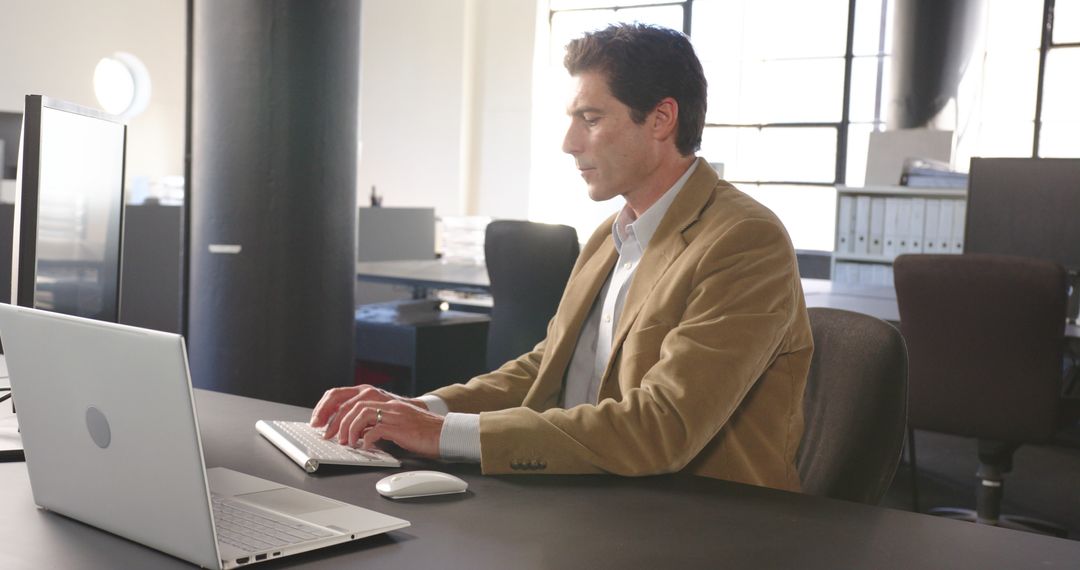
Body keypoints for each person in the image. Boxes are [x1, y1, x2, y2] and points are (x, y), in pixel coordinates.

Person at [311, 23, 813, 491]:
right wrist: (420, 408)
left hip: (700, 520)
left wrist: (443, 434)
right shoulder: (608, 235)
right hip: (597, 494)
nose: (569, 143)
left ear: (661, 119)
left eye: (590, 119)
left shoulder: (744, 240)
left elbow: (663, 425)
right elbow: (545, 367)